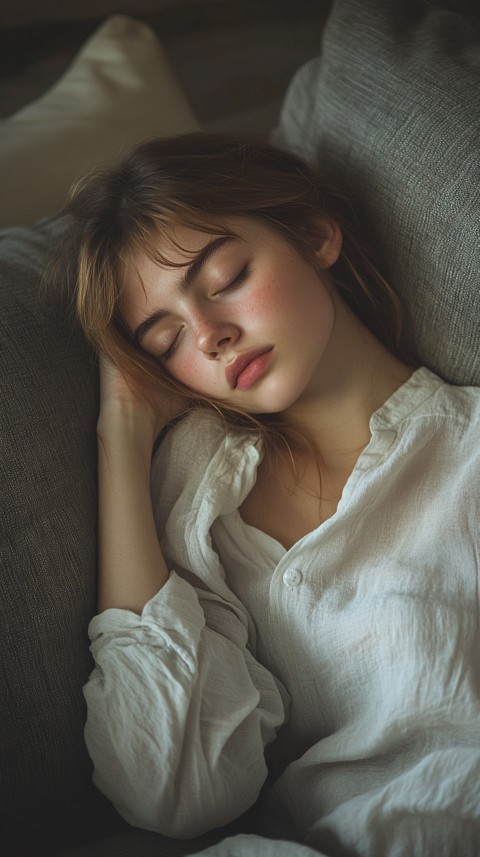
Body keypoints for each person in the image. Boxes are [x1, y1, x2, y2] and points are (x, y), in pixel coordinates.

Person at [63, 132, 480, 857]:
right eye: (167, 341)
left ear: (316, 234)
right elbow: (171, 791)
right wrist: (120, 440)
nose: (212, 335)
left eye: (224, 277)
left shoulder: (467, 451)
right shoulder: (202, 492)